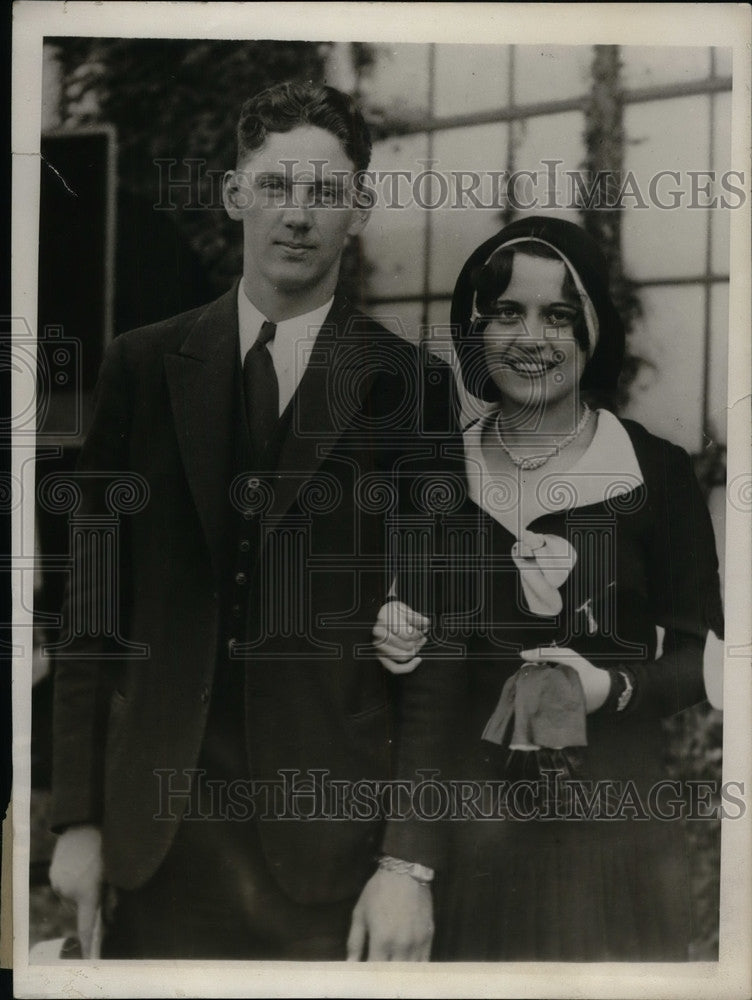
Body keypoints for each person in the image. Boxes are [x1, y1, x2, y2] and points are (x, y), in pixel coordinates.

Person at [48, 81, 460, 961]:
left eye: (325, 191)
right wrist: (76, 821)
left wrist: (408, 862)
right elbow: (90, 611)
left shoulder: (409, 388)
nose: (298, 215)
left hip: (328, 857)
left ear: (360, 206)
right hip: (157, 848)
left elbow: (441, 636)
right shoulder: (141, 366)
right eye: (275, 186)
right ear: (236, 193)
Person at [373, 215, 724, 961]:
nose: (531, 337)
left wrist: (608, 688)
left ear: (591, 331)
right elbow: (423, 677)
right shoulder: (435, 472)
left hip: (615, 843)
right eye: (508, 312)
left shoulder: (653, 471)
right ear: (477, 329)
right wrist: (393, 633)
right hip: (473, 847)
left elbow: (703, 661)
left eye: (558, 315)